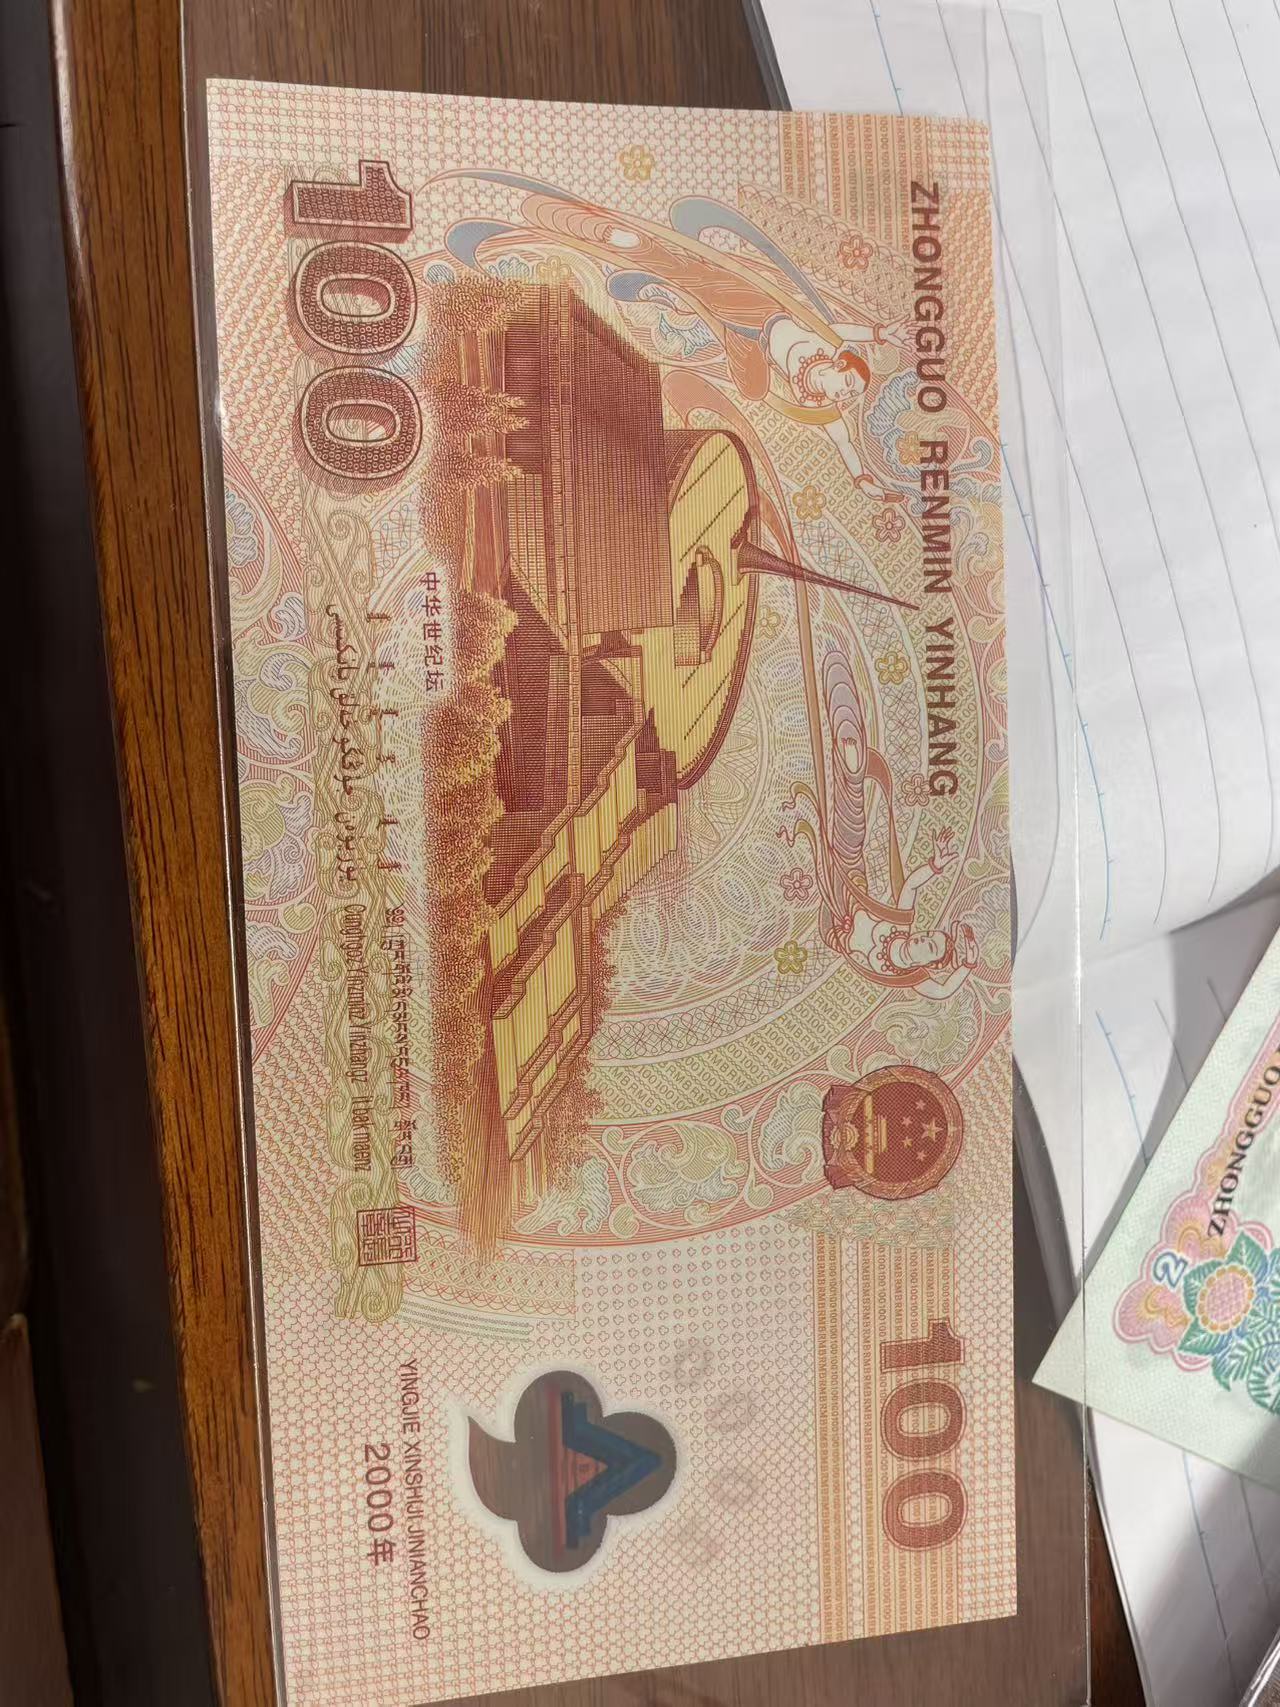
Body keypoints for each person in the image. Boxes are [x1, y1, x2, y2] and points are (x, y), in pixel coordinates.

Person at [782, 650, 977, 1000]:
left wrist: (968, 966)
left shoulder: (905, 978)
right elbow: (912, 885)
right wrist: (935, 866)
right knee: (849, 839)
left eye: (929, 947)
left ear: (929, 964)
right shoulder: (900, 922)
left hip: (830, 921)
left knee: (825, 854)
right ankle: (852, 775)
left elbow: (943, 991)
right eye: (929, 936)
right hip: (849, 885)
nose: (922, 939)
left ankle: (850, 775)